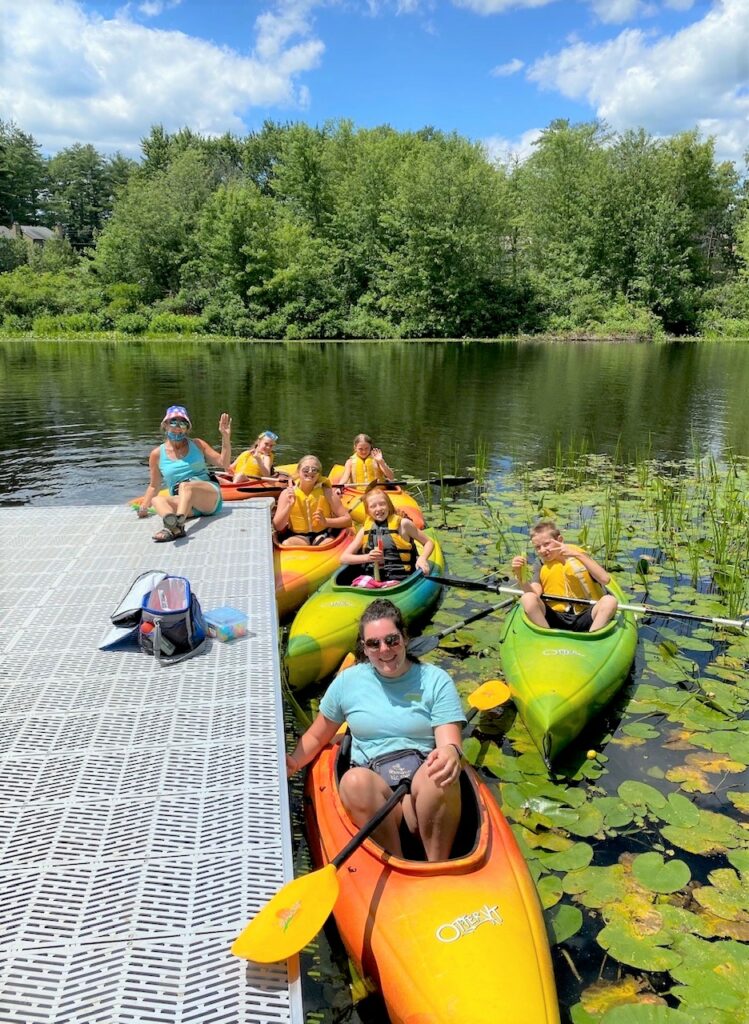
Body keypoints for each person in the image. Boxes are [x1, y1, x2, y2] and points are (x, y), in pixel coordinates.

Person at [286, 600, 465, 861]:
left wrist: (450, 751)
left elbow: (449, 741)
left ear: (404, 638)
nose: (384, 650)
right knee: (354, 781)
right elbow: (316, 735)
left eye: (392, 640)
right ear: (364, 647)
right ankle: (395, 860)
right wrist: (292, 762)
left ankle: (437, 864)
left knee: (439, 771)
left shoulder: (435, 680)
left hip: (423, 795)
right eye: (374, 644)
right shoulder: (348, 682)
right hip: (375, 795)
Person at [137, 405, 232, 542]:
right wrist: (144, 507)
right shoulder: (156, 454)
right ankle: (174, 526)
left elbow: (224, 463)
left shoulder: (198, 444)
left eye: (183, 423)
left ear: (187, 428)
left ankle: (178, 525)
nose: (178, 426)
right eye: (173, 422)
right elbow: (154, 486)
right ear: (165, 425)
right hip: (186, 504)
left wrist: (225, 437)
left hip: (208, 497)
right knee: (157, 500)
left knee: (185, 486)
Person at [511, 518, 618, 632]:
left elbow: (605, 579)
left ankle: (593, 636)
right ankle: (546, 634)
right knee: (527, 598)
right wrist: (519, 574)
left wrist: (578, 555)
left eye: (547, 544)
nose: (542, 550)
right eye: (538, 547)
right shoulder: (541, 564)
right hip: (555, 616)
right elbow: (534, 594)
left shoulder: (579, 556)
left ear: (560, 540)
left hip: (586, 614)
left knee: (610, 601)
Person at [340, 486, 433, 587]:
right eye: (373, 506)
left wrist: (422, 558)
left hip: (401, 580)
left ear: (388, 505)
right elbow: (344, 558)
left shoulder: (403, 525)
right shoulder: (364, 531)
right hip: (373, 578)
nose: (378, 509)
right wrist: (368, 557)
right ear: (368, 511)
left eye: (382, 504)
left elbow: (429, 542)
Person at [273, 455, 352, 546]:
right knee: (287, 543)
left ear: (318, 474)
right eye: (306, 469)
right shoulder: (287, 494)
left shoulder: (328, 493)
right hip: (297, 536)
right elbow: (278, 527)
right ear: (298, 471)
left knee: (326, 543)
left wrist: (326, 522)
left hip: (322, 534)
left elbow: (348, 520)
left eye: (314, 470)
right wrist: (289, 506)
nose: (310, 472)